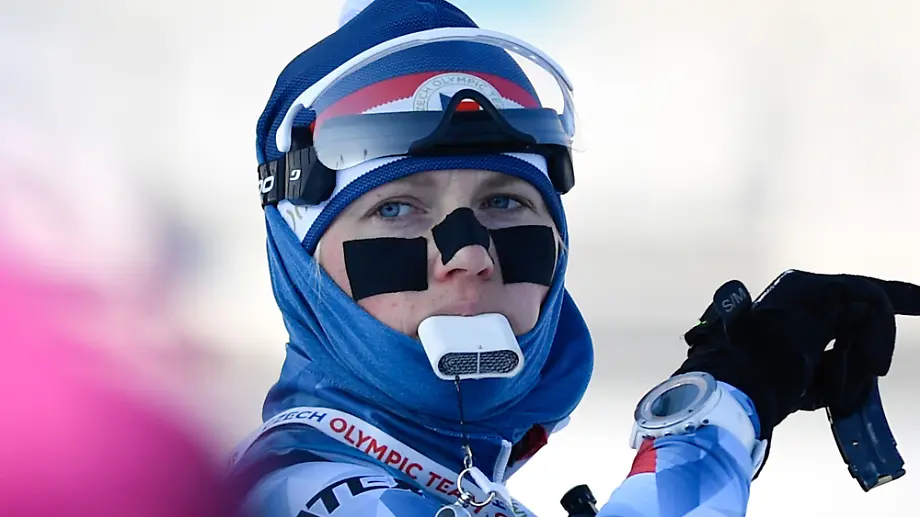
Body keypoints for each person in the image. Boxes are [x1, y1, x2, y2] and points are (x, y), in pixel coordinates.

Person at [228, 1, 920, 516]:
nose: (468, 255)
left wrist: (736, 382)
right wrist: (717, 416)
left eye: (505, 202)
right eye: (395, 209)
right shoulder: (301, 495)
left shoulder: (438, 479)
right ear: (302, 263)